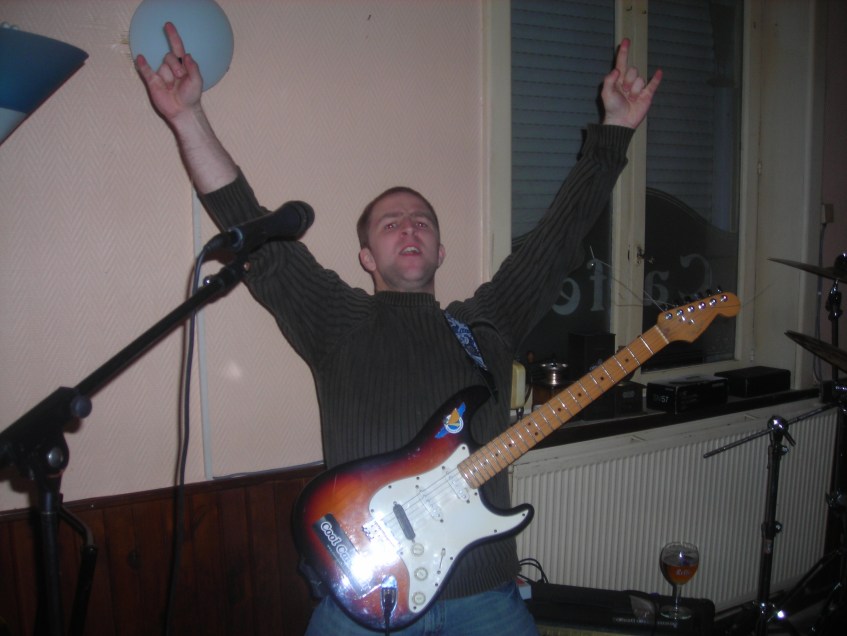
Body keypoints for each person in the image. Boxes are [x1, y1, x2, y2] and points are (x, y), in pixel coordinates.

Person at [136, 21, 660, 636]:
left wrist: (614, 132)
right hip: (367, 599)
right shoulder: (338, 319)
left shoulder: (486, 323)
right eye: (390, 224)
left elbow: (554, 242)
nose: (409, 227)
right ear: (366, 256)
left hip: (485, 598)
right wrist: (189, 118)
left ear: (440, 251)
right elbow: (251, 228)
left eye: (422, 221)